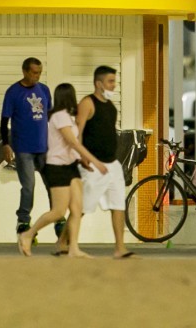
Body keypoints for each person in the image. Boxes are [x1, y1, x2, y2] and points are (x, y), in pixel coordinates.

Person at [18, 82, 105, 257]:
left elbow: (73, 145)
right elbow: (72, 141)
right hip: (57, 167)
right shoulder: (59, 116)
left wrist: (81, 159)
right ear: (69, 97)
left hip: (71, 166)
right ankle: (28, 234)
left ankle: (72, 247)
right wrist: (94, 160)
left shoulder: (67, 117)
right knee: (58, 211)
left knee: (77, 208)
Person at [76, 66, 131, 257]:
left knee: (118, 205)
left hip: (112, 164)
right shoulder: (87, 103)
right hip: (92, 164)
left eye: (114, 81)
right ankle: (63, 242)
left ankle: (120, 248)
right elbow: (78, 132)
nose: (114, 85)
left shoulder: (111, 106)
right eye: (110, 81)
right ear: (98, 83)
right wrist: (82, 157)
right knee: (82, 207)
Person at [0, 56, 52, 237]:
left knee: (52, 184)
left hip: (43, 147)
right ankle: (23, 220)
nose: (37, 76)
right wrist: (6, 144)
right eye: (34, 73)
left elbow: (50, 117)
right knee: (29, 185)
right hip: (23, 148)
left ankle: (58, 216)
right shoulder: (13, 92)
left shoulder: (44, 90)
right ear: (25, 71)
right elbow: (4, 120)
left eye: (39, 73)